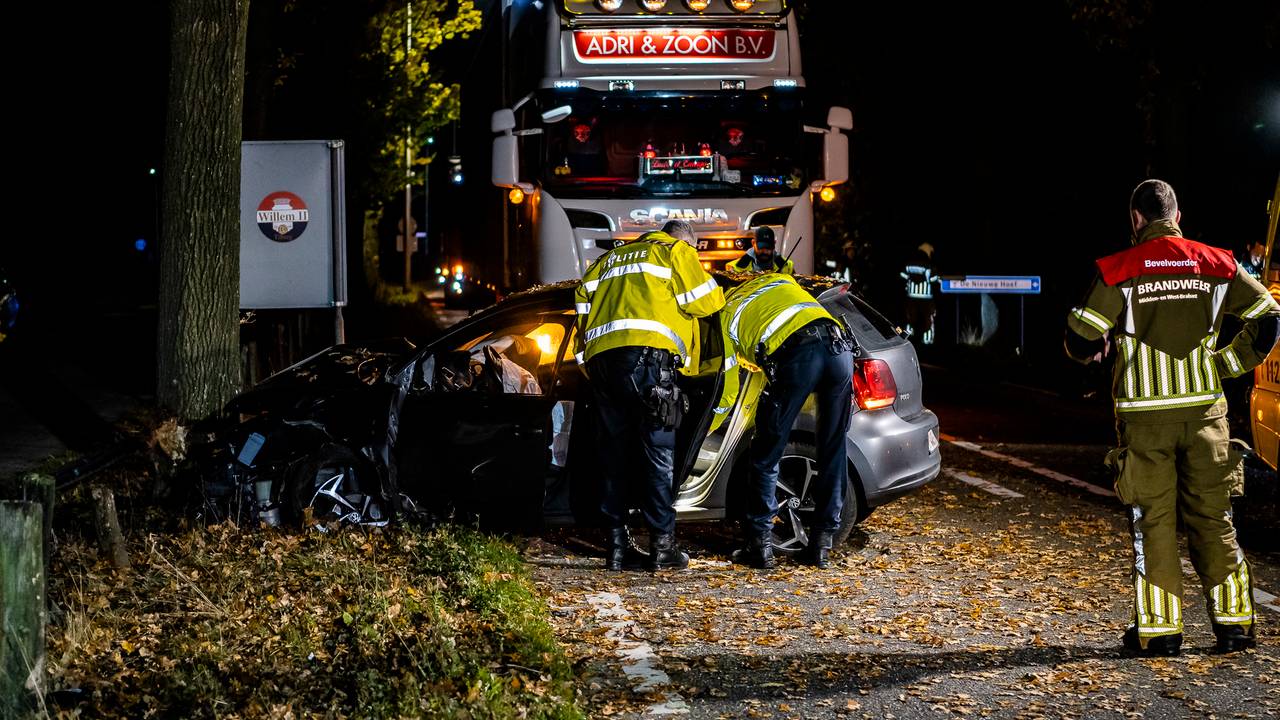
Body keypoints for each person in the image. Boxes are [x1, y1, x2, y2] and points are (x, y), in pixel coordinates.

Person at [1065, 179, 1280, 656]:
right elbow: (1269, 318)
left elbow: (1080, 340)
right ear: (1177, 217)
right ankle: (1235, 626)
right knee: (1214, 519)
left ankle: (1161, 632)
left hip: (1145, 423)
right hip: (1206, 416)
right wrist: (1226, 364)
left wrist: (1102, 344)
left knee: (1154, 523)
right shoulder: (1217, 263)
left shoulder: (1120, 269)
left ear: (1136, 219)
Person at [575, 219, 725, 571]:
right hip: (648, 364)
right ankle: (662, 546)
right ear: (683, 241)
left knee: (613, 455)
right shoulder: (674, 252)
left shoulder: (606, 261)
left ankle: (616, 549)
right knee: (658, 453)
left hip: (602, 365)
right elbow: (706, 302)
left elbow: (582, 307)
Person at [712, 273, 854, 570]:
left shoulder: (725, 313)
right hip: (839, 350)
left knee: (766, 452)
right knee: (832, 448)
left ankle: (759, 547)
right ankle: (821, 546)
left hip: (799, 355)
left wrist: (709, 428)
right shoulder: (778, 280)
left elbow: (728, 388)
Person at [900, 243, 939, 345]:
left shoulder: (909, 264)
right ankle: (927, 341)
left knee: (910, 319)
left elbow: (903, 276)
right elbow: (933, 280)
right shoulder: (929, 266)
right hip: (926, 298)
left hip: (911, 297)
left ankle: (906, 340)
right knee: (928, 320)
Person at [728, 226, 795, 274]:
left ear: (774, 243)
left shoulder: (787, 266)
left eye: (768, 248)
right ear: (753, 243)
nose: (765, 251)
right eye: (761, 247)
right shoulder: (736, 268)